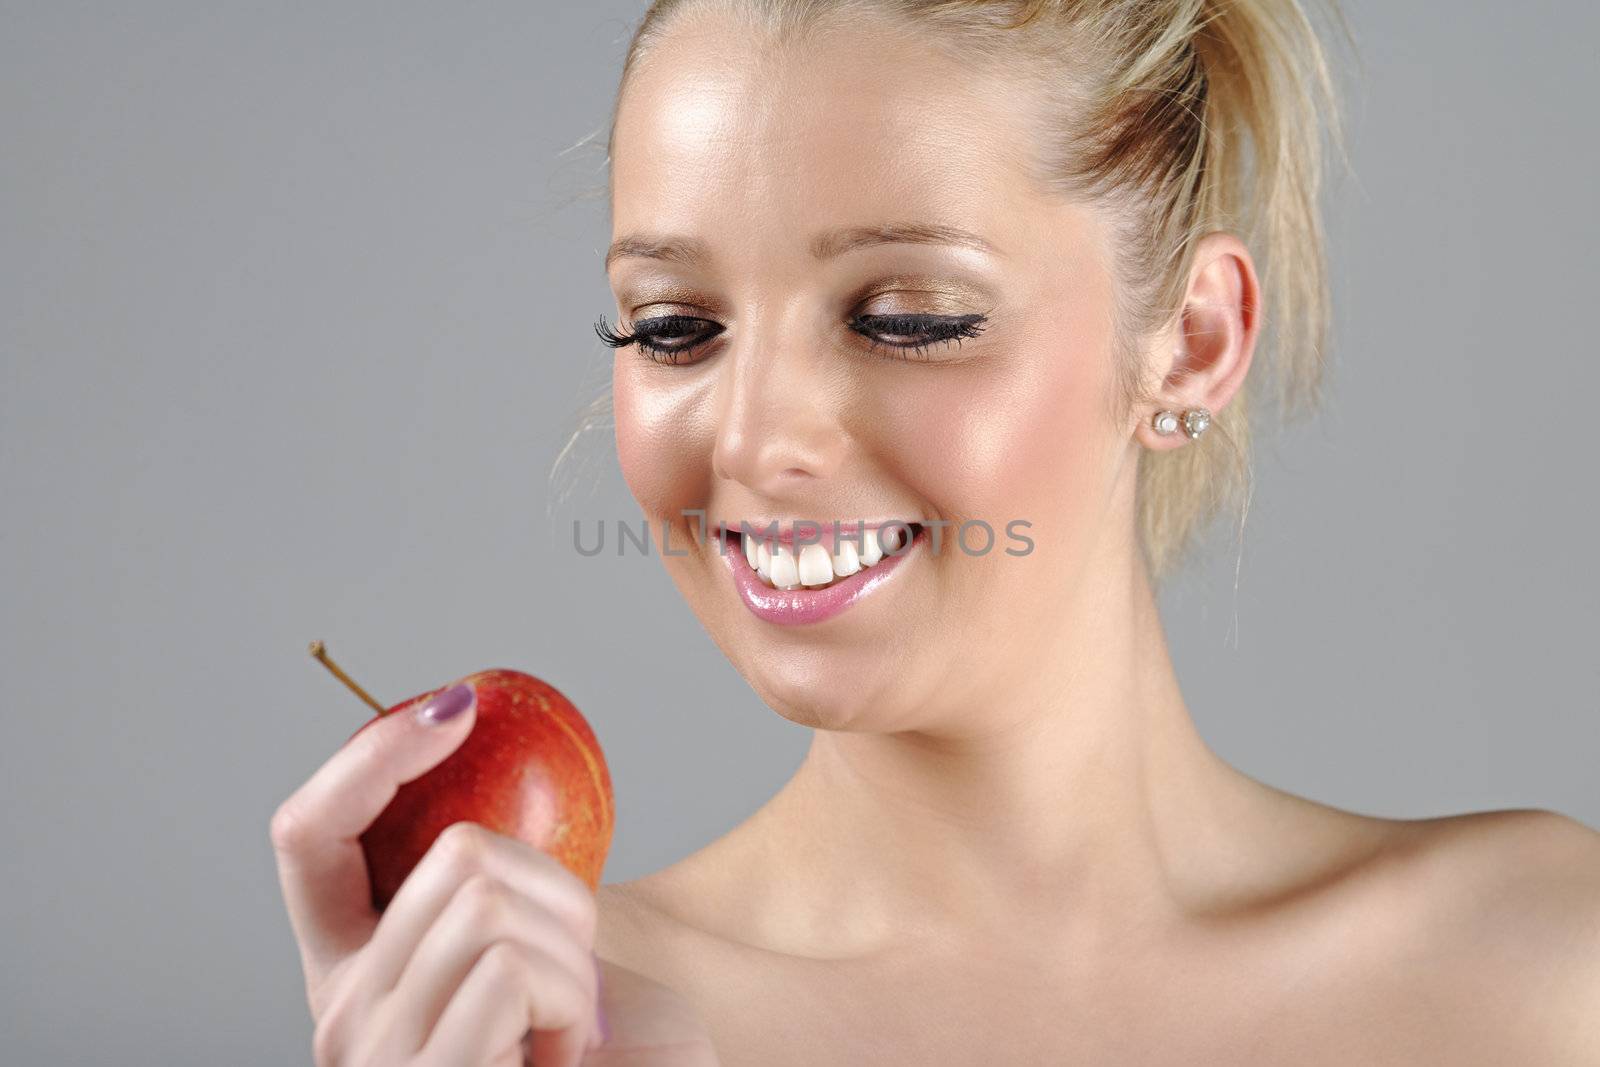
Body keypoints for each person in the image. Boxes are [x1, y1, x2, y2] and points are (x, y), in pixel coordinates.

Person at [272, 1, 1600, 1063]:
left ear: (1193, 342)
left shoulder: (1551, 968)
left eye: (908, 317)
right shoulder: (546, 1021)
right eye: (674, 327)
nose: (753, 439)